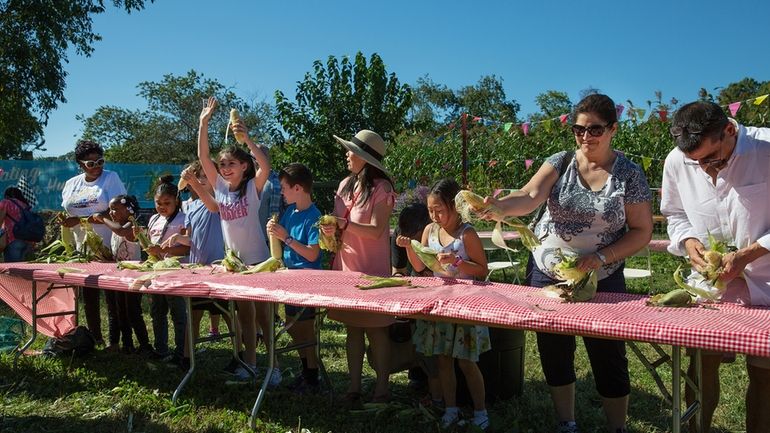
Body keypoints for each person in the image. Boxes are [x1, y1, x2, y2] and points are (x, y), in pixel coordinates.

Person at [482, 94, 653, 433]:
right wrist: (500, 207)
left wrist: (601, 257)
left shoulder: (629, 175)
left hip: (603, 273)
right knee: (554, 349)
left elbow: (642, 231)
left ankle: (617, 427)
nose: (585, 137)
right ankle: (566, 422)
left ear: (613, 129)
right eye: (578, 130)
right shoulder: (560, 162)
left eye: (595, 130)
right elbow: (530, 196)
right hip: (548, 273)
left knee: (608, 353)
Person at [661, 100, 770, 433]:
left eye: (714, 159)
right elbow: (675, 214)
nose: (708, 170)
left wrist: (749, 253)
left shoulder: (766, 149)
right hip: (710, 288)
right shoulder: (677, 161)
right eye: (697, 163)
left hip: (766, 282)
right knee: (701, 369)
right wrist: (689, 243)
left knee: (764, 374)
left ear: (729, 129)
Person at [398, 178, 491, 429]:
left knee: (466, 361)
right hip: (439, 304)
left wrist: (458, 262)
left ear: (453, 206)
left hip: (465, 306)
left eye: (439, 209)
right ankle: (451, 409)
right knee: (443, 359)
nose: (434, 215)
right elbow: (420, 267)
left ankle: (481, 412)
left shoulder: (467, 234)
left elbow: (482, 270)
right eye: (430, 210)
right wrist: (409, 248)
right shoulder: (429, 232)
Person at [197, 96, 274, 383]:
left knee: (265, 318)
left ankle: (273, 366)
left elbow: (265, 167)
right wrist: (204, 123)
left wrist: (248, 141)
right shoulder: (219, 187)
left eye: (231, 163)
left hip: (258, 261)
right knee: (245, 317)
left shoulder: (252, 188)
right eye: (222, 164)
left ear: (244, 166)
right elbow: (204, 157)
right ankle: (251, 363)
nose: (225, 167)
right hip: (236, 263)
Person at [319, 129, 396, 408]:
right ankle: (353, 388)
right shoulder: (343, 186)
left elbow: (376, 231)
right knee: (352, 329)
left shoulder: (383, 189)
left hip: (374, 274)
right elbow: (337, 232)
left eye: (351, 150)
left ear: (365, 158)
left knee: (377, 331)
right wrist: (329, 231)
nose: (347, 154)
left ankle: (382, 389)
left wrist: (344, 225)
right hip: (347, 269)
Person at [162, 161, 229, 370]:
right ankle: (186, 357)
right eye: (197, 176)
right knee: (194, 315)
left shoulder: (220, 199)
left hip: (217, 268)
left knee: (229, 314)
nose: (200, 180)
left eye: (205, 175)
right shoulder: (191, 206)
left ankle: (242, 354)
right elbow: (192, 239)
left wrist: (195, 183)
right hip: (197, 268)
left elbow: (213, 208)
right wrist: (176, 239)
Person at [60, 139, 127, 346]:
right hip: (83, 249)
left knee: (112, 296)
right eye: (91, 163)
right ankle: (95, 337)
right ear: (80, 164)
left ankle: (116, 342)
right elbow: (66, 212)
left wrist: (85, 219)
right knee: (89, 296)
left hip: (109, 246)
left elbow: (119, 209)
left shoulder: (110, 178)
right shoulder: (72, 184)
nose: (97, 167)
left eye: (100, 161)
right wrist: (66, 221)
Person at [265, 163, 322, 394]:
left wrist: (286, 238)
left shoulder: (314, 216)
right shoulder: (290, 213)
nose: (282, 192)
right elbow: (282, 242)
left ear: (298, 188)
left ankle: (312, 375)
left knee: (305, 329)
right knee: (292, 326)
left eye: (285, 188)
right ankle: (307, 371)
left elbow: (312, 253)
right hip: (290, 278)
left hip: (308, 281)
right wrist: (274, 231)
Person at [92, 195, 152, 354]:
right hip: (119, 276)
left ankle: (145, 345)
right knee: (118, 310)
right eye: (110, 209)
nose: (111, 212)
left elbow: (121, 231)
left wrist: (102, 218)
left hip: (133, 276)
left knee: (133, 311)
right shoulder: (116, 226)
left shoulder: (131, 225)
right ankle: (126, 344)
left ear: (129, 209)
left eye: (115, 209)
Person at [143, 175, 189, 363]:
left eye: (167, 203)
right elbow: (150, 243)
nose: (162, 206)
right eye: (158, 203)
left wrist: (165, 249)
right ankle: (160, 349)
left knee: (178, 313)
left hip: (176, 272)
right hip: (156, 271)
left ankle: (181, 352)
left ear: (176, 201)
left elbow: (187, 247)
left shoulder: (184, 218)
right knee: (157, 311)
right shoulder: (154, 219)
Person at [0, 187, 35, 262]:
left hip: (13, 240)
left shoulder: (6, 202)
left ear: (6, 196)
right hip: (27, 242)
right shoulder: (25, 205)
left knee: (13, 271)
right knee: (23, 271)